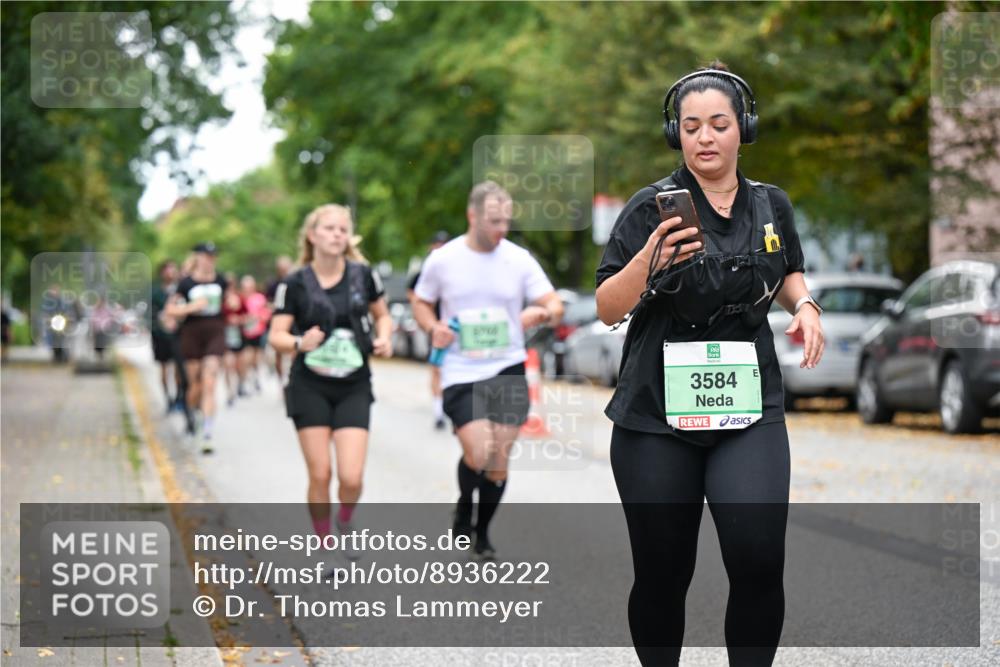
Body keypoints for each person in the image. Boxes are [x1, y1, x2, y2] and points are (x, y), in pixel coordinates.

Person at [594, 63, 825, 666]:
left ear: (743, 128)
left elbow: (788, 269)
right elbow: (606, 307)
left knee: (758, 558)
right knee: (663, 571)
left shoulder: (772, 204)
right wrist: (649, 258)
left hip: (748, 410)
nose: (705, 137)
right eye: (691, 125)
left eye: (719, 124)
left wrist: (805, 305)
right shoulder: (651, 208)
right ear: (676, 133)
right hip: (655, 417)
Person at [413, 181, 563, 560]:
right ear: (472, 216)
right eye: (494, 221)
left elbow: (554, 304)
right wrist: (433, 327)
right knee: (480, 452)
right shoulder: (444, 260)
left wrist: (541, 311)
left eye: (507, 220)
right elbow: (421, 302)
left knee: (499, 461)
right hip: (461, 370)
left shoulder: (518, 259)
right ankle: (465, 504)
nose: (502, 228)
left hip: (507, 366)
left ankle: (482, 533)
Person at [268, 204, 392, 549]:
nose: (337, 235)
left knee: (351, 477)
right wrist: (299, 342)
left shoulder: (363, 275)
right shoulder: (294, 283)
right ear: (312, 235)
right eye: (329, 228)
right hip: (310, 385)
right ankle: (324, 545)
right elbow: (276, 336)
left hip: (354, 384)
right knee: (321, 473)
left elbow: (382, 315)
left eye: (343, 230)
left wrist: (384, 337)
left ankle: (345, 519)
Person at [167, 242, 228, 454]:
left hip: (215, 332)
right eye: (206, 256)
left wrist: (233, 303)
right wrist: (191, 307)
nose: (210, 260)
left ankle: (208, 432)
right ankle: (192, 415)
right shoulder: (186, 283)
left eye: (213, 256)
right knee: (195, 385)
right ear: (198, 257)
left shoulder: (221, 280)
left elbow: (229, 303)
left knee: (210, 382)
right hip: (192, 334)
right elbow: (171, 310)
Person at [407, 230, 451, 430]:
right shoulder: (426, 270)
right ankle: (438, 411)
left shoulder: (457, 268)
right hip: (436, 326)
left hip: (458, 327)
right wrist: (427, 317)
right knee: (437, 368)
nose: (440, 248)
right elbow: (414, 294)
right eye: (437, 244)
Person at [151, 260, 184, 411]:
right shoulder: (156, 292)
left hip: (177, 335)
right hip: (161, 335)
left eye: (173, 269)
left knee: (179, 368)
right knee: (164, 367)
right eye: (168, 270)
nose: (171, 272)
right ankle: (167, 398)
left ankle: (179, 397)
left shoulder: (181, 290)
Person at [239, 275, 271, 394]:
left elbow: (266, 313)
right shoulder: (240, 298)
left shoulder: (260, 298)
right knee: (246, 357)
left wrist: (259, 317)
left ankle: (255, 376)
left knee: (256, 356)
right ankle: (244, 380)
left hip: (258, 331)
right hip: (244, 332)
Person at [266, 255, 294, 384]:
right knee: (278, 352)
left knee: (295, 349)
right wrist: (275, 306)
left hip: (294, 322)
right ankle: (281, 380)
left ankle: (292, 378)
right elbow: (267, 302)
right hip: (278, 321)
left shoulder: (297, 282)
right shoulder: (273, 284)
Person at [221, 273, 247, 406]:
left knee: (239, 364)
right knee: (228, 364)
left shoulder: (240, 297)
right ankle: (229, 392)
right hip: (224, 335)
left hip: (238, 334)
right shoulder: (220, 299)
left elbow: (247, 315)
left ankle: (240, 384)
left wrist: (239, 320)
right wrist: (227, 321)